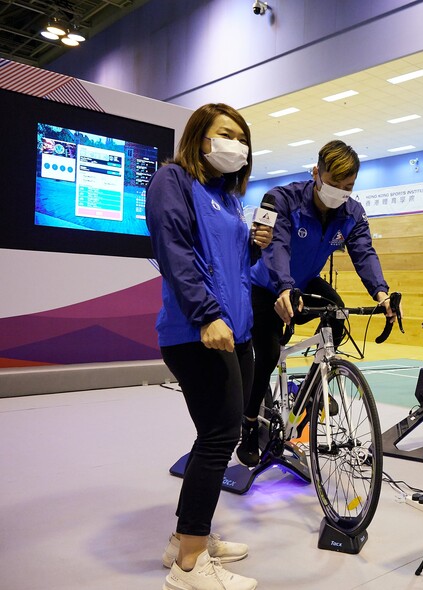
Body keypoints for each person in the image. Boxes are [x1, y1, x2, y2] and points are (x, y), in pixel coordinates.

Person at [146, 103, 268, 590]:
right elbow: (174, 252)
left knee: (216, 435)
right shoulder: (172, 181)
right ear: (200, 137)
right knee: (220, 436)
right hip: (197, 332)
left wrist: (254, 245)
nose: (236, 144)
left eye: (242, 137)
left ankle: (185, 538)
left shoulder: (228, 196)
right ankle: (191, 566)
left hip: (234, 333)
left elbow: (230, 267)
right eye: (225, 134)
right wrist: (205, 315)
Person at [237, 140, 394, 467]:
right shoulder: (280, 199)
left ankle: (311, 389)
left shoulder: (353, 213)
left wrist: (382, 293)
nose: (340, 192)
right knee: (265, 355)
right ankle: (249, 424)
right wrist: (283, 288)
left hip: (305, 283)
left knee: (337, 317)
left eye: (348, 187)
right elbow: (274, 246)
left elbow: (364, 253)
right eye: (334, 184)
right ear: (316, 173)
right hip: (266, 286)